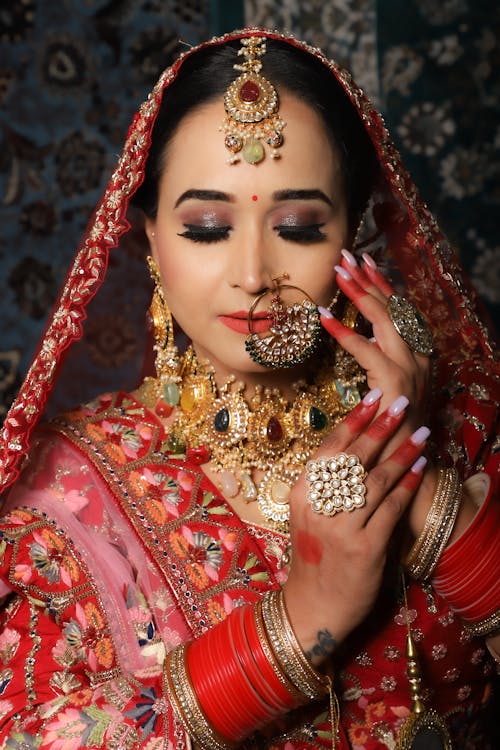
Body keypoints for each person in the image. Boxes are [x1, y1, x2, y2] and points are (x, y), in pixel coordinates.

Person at [0, 27, 498, 750]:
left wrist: (426, 496)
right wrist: (301, 620)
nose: (254, 272)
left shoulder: (469, 423)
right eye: (206, 227)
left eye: (297, 225)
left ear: (351, 234)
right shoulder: (62, 500)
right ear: (147, 240)